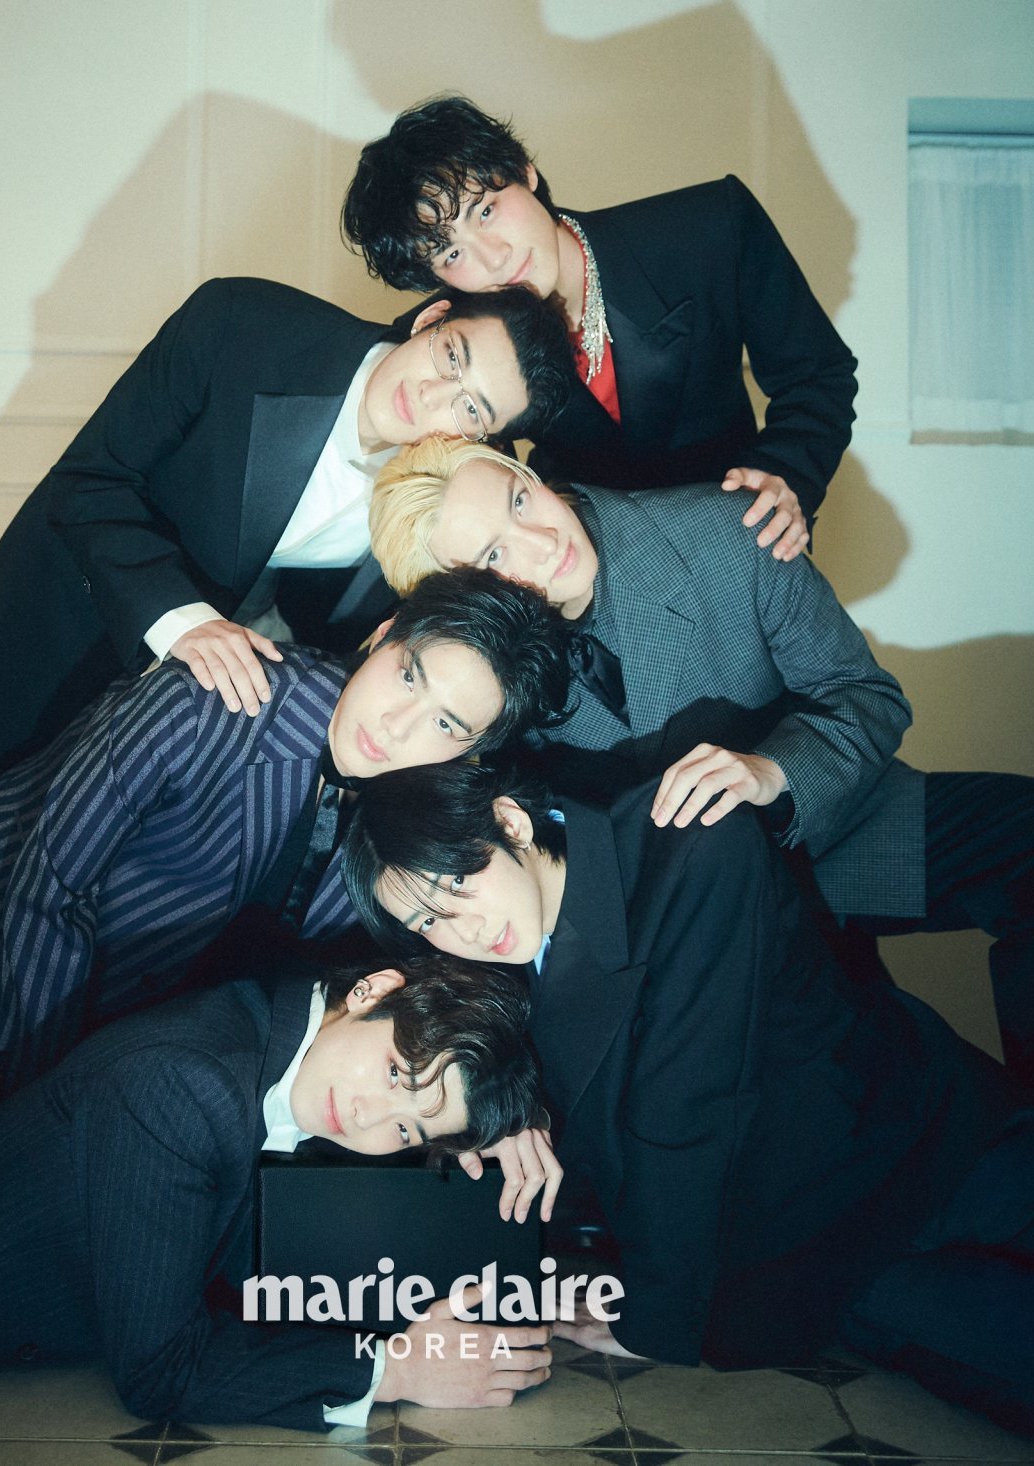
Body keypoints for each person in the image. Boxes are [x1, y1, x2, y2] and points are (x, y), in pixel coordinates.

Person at [0, 279, 575, 1101]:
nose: (437, 397)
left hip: (192, 749)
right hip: (51, 664)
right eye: (451, 356)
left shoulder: (419, 513)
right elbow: (88, 482)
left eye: (472, 410)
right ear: (432, 318)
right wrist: (182, 624)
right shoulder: (244, 325)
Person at [340, 760, 1034, 1435]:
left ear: (510, 823)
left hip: (929, 1142)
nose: (463, 930)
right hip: (815, 1240)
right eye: (427, 920)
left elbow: (686, 1110)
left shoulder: (690, 844)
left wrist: (651, 1319)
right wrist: (505, 1111)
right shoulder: (496, 955)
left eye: (458, 882)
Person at [369, 438, 1034, 1083]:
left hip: (835, 836)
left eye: (519, 500)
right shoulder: (478, 680)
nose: (543, 541)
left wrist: (773, 771)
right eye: (494, 555)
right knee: (882, 1088)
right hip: (692, 935)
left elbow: (866, 696)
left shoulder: (730, 529)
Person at [0, 569, 573, 1105]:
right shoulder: (209, 699)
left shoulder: (414, 824)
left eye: (446, 724)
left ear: (471, 755)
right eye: (408, 675)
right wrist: (38, 1096)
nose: (396, 726)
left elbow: (452, 958)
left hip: (152, 1017)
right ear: (384, 634)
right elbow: (46, 886)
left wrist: (499, 1110)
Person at [0, 954, 557, 1431]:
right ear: (372, 991)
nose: (371, 1117)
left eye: (406, 1129)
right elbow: (160, 1375)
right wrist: (395, 1370)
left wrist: (531, 1291)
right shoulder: (183, 1087)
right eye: (397, 1073)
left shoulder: (286, 1036)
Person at [343, 94, 857, 557]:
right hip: (584, 568)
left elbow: (817, 376)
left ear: (523, 170)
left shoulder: (711, 227)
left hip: (739, 536)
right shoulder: (440, 340)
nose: (494, 258)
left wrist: (784, 475)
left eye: (486, 211)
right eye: (451, 253)